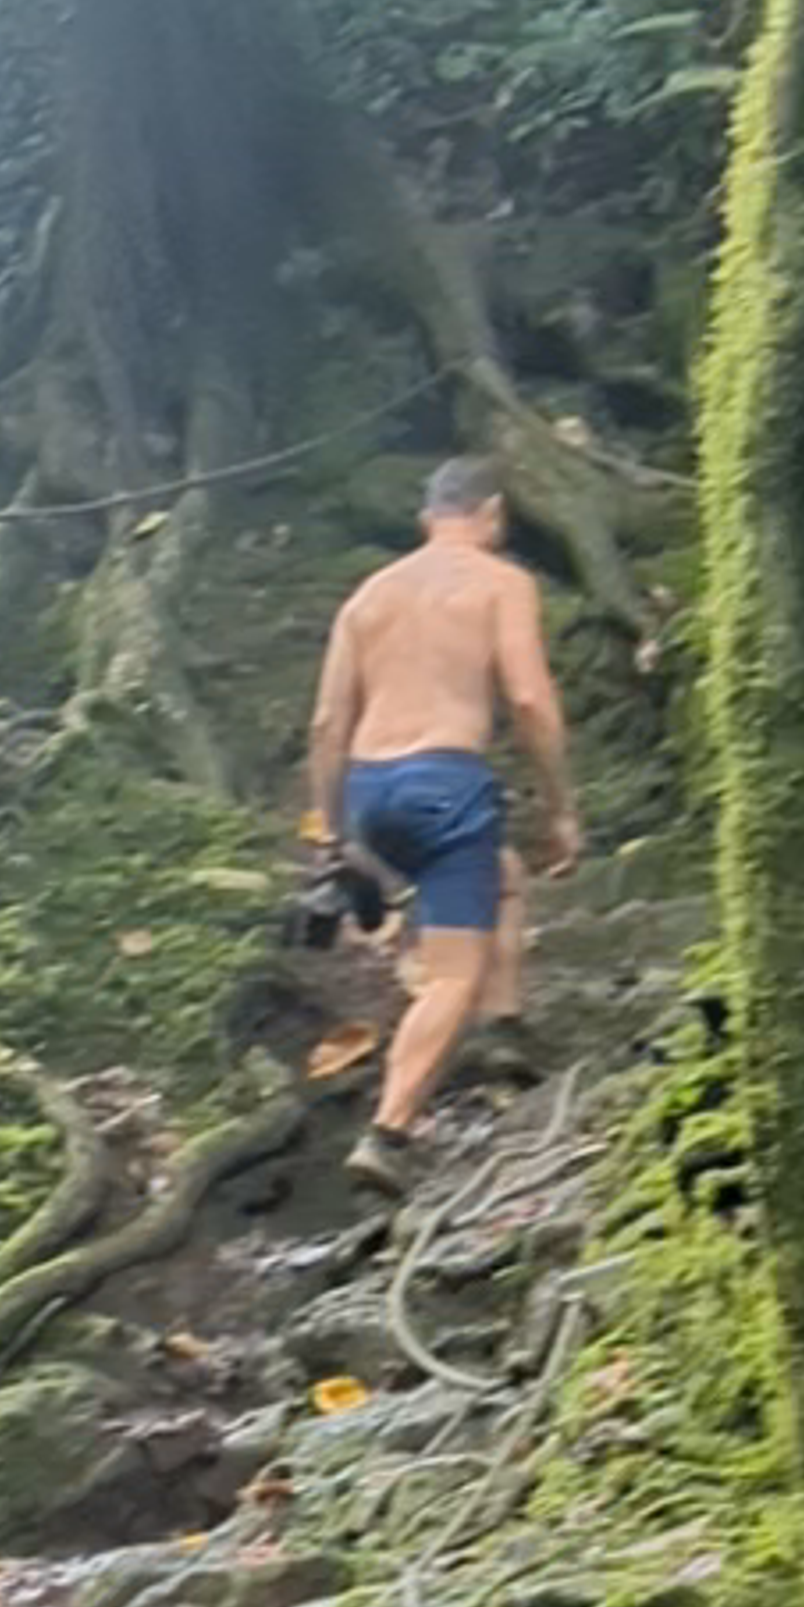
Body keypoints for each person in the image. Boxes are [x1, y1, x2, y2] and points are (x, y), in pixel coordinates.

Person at [298, 460, 582, 1174]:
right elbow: (529, 700)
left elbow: (327, 723)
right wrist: (560, 806)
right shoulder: (500, 582)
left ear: (428, 518)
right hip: (447, 783)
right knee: (453, 973)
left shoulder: (368, 596)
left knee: (502, 876)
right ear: (491, 514)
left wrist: (332, 832)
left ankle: (503, 1030)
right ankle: (387, 1134)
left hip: (370, 788)